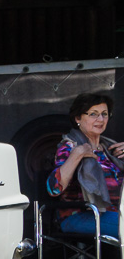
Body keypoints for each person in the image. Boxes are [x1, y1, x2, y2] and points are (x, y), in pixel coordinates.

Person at [47, 92, 124, 235]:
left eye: (104, 114)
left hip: (115, 213)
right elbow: (54, 189)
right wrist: (77, 155)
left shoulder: (109, 149)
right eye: (93, 114)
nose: (100, 119)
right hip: (79, 216)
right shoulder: (70, 147)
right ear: (78, 118)